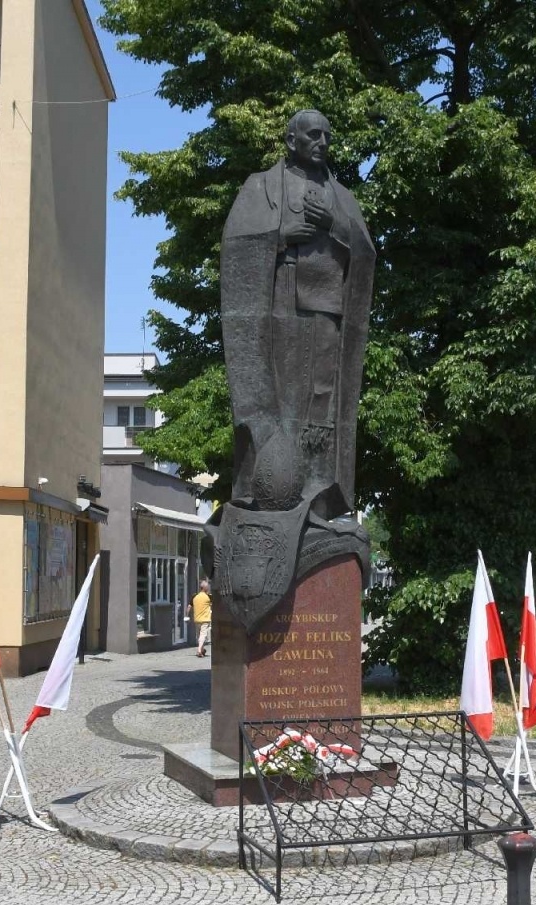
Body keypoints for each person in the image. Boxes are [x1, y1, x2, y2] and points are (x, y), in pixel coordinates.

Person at [212, 108, 376, 632]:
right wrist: (283, 233)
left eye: (328, 135)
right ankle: (271, 491)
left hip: (326, 316)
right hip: (278, 309)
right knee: (279, 404)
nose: (323, 143)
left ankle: (319, 503)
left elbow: (367, 252)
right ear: (290, 140)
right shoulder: (261, 187)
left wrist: (335, 227)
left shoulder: (341, 195)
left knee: (319, 408)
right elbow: (236, 245)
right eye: (313, 135)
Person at [191, 578, 213, 657]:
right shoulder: (208, 597)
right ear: (205, 588)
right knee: (203, 635)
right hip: (205, 620)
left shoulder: (195, 597)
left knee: (199, 636)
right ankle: (199, 650)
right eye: (208, 587)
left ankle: (202, 650)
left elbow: (191, 606)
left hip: (197, 620)